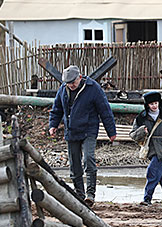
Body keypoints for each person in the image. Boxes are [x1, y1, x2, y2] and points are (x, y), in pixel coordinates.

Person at [49, 65, 117, 207]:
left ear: (80, 77)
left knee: (88, 158)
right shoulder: (63, 90)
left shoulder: (93, 88)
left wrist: (111, 132)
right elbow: (57, 109)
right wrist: (53, 125)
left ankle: (90, 194)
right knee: (74, 164)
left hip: (89, 130)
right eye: (68, 83)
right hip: (71, 131)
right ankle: (80, 194)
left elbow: (105, 110)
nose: (71, 86)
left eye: (73, 83)